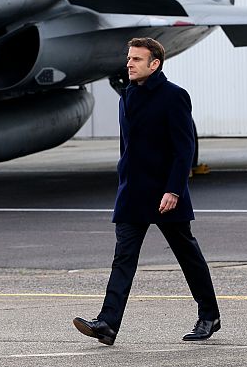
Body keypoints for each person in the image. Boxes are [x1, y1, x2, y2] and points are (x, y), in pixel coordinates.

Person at [73, 37, 220, 345]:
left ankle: (209, 315)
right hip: (132, 193)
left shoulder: (174, 96)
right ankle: (107, 324)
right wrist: (122, 176)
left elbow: (184, 149)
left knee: (187, 254)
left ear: (154, 64)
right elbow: (127, 147)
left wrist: (174, 190)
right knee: (123, 258)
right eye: (129, 58)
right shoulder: (126, 96)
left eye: (137, 59)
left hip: (165, 193)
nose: (129, 63)